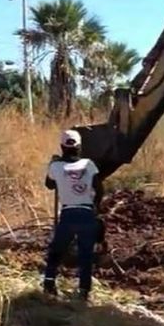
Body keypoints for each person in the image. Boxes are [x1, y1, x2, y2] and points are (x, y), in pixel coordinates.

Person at [42, 129, 105, 301]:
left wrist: (52, 163)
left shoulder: (55, 167)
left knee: (56, 251)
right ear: (79, 146)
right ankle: (84, 291)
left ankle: (49, 284)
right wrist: (96, 207)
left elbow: (49, 185)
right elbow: (99, 189)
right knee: (86, 254)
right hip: (86, 213)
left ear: (62, 146)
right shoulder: (89, 165)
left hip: (68, 214)